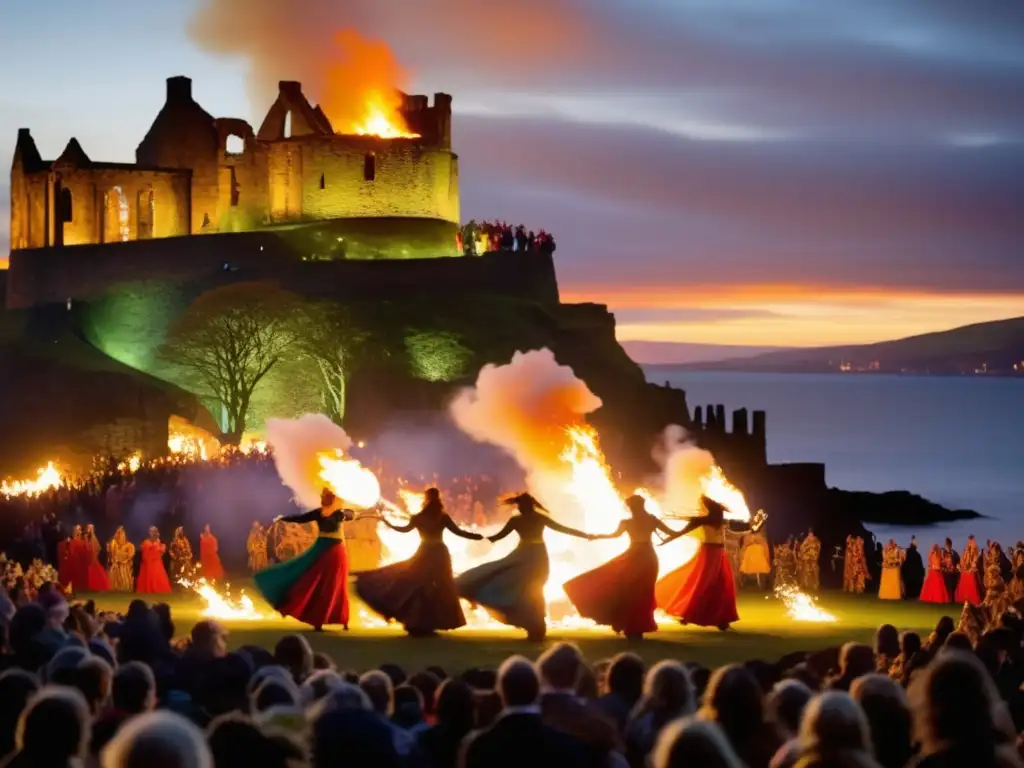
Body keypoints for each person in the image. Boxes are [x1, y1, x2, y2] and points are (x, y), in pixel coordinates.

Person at [456, 492, 593, 642]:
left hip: (528, 556)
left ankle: (535, 626)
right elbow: (563, 529)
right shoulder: (534, 519)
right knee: (531, 590)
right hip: (534, 555)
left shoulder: (521, 520)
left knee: (528, 589)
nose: (519, 509)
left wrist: (481, 540)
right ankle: (536, 626)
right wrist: (586, 535)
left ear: (525, 506)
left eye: (520, 506)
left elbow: (497, 537)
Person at [355, 487, 482, 636]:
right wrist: (476, 536)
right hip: (439, 553)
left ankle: (418, 621)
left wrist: (387, 522)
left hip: (426, 552)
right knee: (441, 587)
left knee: (417, 585)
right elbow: (459, 532)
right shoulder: (442, 517)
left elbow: (403, 530)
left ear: (426, 499)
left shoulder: (419, 517)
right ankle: (430, 621)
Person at [563, 494, 679, 640]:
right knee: (637, 591)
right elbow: (672, 534)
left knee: (640, 592)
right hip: (645, 556)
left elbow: (615, 535)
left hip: (640, 556)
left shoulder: (636, 521)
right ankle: (634, 626)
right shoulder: (648, 520)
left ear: (636, 506)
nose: (632, 509)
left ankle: (634, 626)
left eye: (632, 506)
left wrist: (597, 536)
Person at [255, 487, 355, 632]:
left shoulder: (327, 513)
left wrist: (282, 518)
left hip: (327, 549)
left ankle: (327, 621)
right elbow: (305, 519)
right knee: (334, 585)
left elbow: (300, 518)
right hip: (333, 551)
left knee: (324, 584)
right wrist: (347, 514)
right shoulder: (336, 514)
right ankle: (338, 621)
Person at [655, 496, 741, 630]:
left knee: (717, 584)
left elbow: (681, 532)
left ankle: (721, 620)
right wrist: (666, 539)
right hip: (712, 552)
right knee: (706, 583)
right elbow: (682, 532)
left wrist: (667, 539)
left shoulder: (714, 520)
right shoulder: (715, 519)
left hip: (716, 553)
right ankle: (691, 614)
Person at [136, 527, 172, 594]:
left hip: (156, 564)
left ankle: (157, 589)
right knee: (148, 577)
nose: (153, 533)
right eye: (151, 531)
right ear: (149, 532)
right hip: (147, 564)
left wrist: (157, 547)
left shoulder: (160, 542)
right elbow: (145, 553)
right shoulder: (146, 542)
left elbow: (161, 551)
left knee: (157, 576)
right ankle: (148, 589)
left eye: (154, 531)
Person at [955, 535, 983, 606]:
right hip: (965, 571)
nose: (971, 542)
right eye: (970, 540)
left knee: (972, 585)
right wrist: (961, 566)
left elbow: (976, 560)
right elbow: (962, 560)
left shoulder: (976, 549)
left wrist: (972, 567)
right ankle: (963, 600)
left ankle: (972, 600)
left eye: (972, 540)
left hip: (971, 571)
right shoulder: (966, 549)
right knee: (964, 585)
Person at [82, 523, 110, 592]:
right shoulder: (86, 537)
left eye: (89, 528)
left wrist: (95, 554)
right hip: (87, 557)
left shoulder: (92, 538)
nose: (88, 530)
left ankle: (98, 585)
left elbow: (97, 548)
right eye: (87, 528)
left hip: (92, 557)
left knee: (94, 570)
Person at [107, 526, 135, 592]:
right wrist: (114, 561)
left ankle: (125, 588)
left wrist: (124, 561)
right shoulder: (114, 544)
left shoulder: (129, 545)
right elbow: (112, 554)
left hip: (124, 564)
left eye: (121, 534)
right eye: (118, 534)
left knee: (124, 575)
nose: (119, 536)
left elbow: (130, 555)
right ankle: (116, 588)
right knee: (115, 575)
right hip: (116, 563)